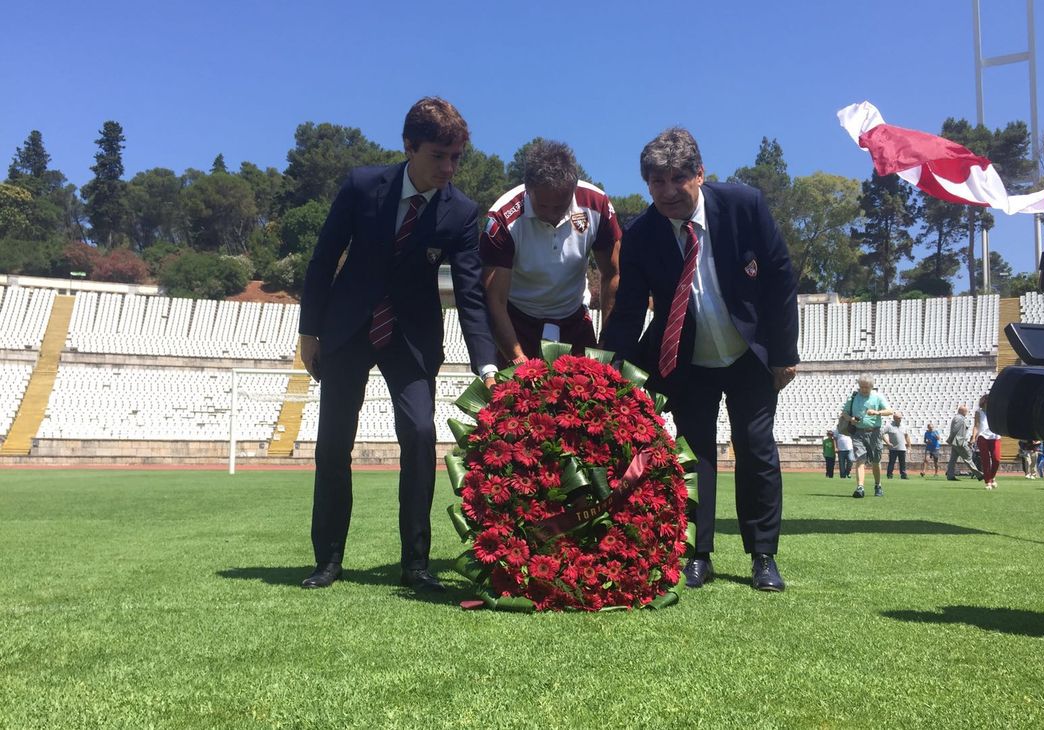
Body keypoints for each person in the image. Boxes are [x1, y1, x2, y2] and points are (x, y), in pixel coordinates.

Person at [297, 97, 498, 592]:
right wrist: (309, 330)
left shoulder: (462, 212)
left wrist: (486, 364)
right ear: (408, 147)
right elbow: (324, 258)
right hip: (346, 331)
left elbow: (471, 293)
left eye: (457, 157)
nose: (449, 168)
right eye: (438, 156)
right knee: (333, 444)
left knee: (421, 434)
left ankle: (416, 563)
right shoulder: (362, 187)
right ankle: (328, 560)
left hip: (409, 339)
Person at [601, 127, 799, 592]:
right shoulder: (641, 235)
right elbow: (629, 310)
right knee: (693, 457)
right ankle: (696, 554)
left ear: (700, 174)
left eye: (677, 179)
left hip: (749, 354)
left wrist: (785, 354)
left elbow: (779, 278)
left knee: (757, 449)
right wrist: (609, 370)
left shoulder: (744, 205)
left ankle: (763, 556)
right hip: (685, 360)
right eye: (656, 182)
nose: (668, 192)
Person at [481, 140, 621, 366]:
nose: (552, 214)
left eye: (561, 206)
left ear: (573, 189)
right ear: (528, 189)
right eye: (543, 206)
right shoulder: (503, 219)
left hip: (574, 321)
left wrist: (606, 340)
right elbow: (495, 299)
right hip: (517, 323)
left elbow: (613, 273)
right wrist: (517, 357)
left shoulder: (597, 204)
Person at [838, 374, 893, 498]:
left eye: (866, 387)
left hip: (875, 432)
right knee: (860, 459)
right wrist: (851, 419)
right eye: (861, 387)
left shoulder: (878, 397)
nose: (863, 389)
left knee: (875, 461)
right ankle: (860, 487)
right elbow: (844, 413)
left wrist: (877, 412)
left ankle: (878, 485)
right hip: (858, 432)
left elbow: (890, 411)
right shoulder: (853, 397)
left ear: (871, 387)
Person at [945, 404, 982, 482]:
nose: (967, 412)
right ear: (962, 411)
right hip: (960, 442)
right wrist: (950, 439)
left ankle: (950, 475)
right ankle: (980, 475)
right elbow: (954, 430)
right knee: (968, 458)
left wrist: (951, 440)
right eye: (966, 411)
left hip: (957, 442)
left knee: (953, 460)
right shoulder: (959, 419)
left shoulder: (957, 418)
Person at [970, 394, 1001, 490]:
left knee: (996, 459)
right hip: (982, 437)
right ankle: (988, 481)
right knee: (985, 460)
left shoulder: (995, 412)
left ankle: (992, 477)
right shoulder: (978, 412)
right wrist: (973, 437)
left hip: (995, 436)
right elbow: (976, 425)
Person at [881, 412, 911, 480]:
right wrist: (888, 442)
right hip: (893, 449)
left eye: (900, 418)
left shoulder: (904, 426)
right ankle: (889, 475)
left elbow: (906, 436)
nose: (900, 419)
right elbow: (881, 434)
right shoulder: (889, 426)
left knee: (902, 463)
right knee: (891, 462)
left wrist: (909, 446)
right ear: (894, 418)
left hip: (902, 448)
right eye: (898, 418)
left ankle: (903, 475)